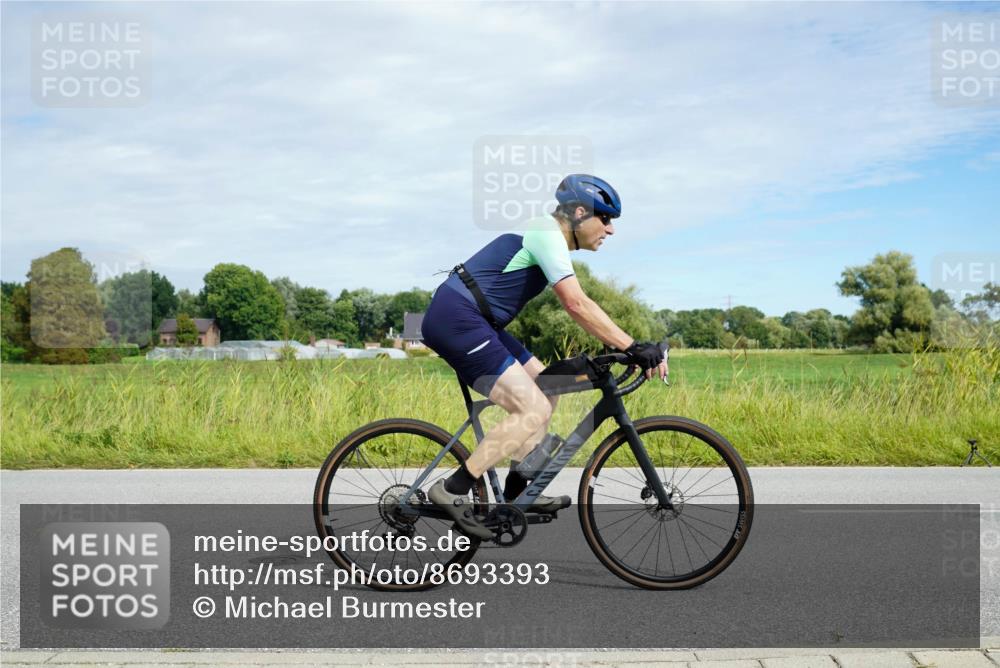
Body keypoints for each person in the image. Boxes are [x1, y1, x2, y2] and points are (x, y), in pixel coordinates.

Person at [421, 174, 668, 539]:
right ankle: (452, 489)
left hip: (479, 322)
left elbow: (580, 306)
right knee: (531, 407)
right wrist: (631, 346)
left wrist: (625, 348)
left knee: (549, 388)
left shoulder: (549, 240)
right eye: (605, 218)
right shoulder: (546, 233)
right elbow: (576, 303)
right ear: (580, 213)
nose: (611, 229)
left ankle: (518, 493)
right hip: (457, 319)